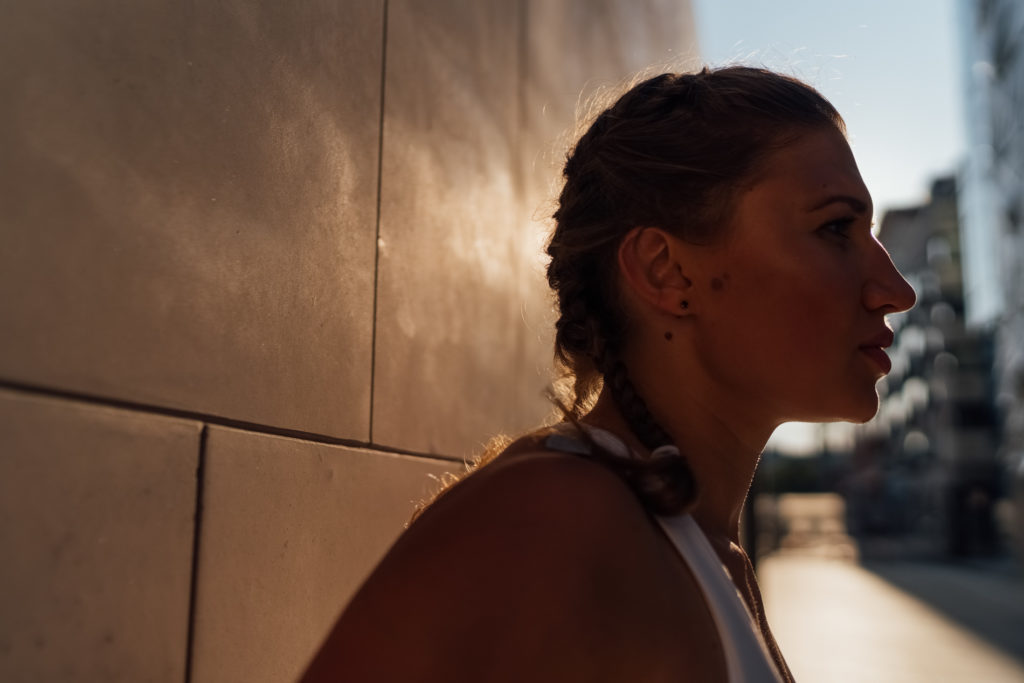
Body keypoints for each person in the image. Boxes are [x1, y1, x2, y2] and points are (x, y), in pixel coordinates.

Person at [300, 65, 916, 682]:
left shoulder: (697, 547)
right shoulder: (552, 521)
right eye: (836, 227)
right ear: (665, 271)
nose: (895, 290)